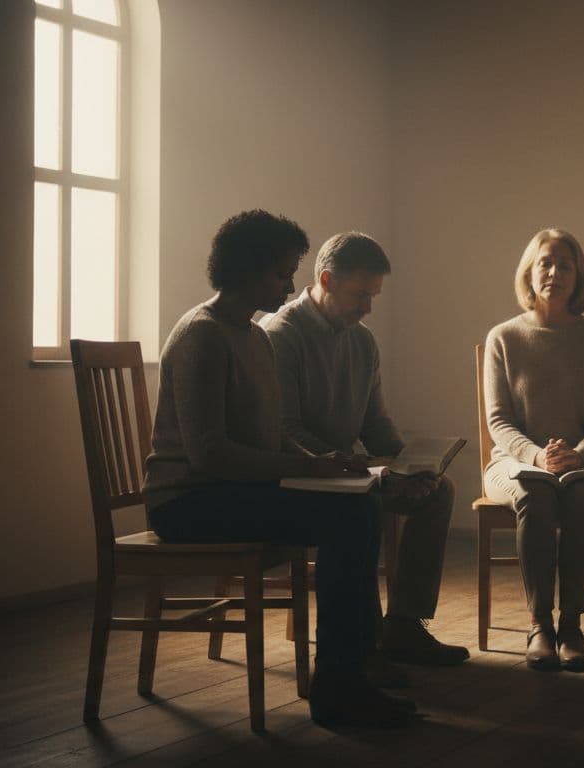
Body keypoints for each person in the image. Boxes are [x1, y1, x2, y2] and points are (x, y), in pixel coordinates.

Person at [141, 210, 413, 728]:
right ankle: (339, 685)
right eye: (281, 273)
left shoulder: (253, 337)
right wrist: (307, 467)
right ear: (243, 269)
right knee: (349, 519)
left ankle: (352, 671)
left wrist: (324, 467)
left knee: (358, 504)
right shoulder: (202, 334)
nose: (291, 285)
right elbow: (209, 455)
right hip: (186, 503)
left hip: (228, 491)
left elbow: (269, 439)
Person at [264, 232, 469, 668]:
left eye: (373, 296)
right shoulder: (280, 335)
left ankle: (403, 625)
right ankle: (362, 637)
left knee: (440, 491)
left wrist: (412, 467)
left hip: (350, 471)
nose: (367, 308)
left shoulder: (362, 341)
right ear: (325, 280)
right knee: (365, 502)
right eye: (360, 294)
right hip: (303, 476)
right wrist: (362, 469)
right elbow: (284, 430)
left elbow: (375, 424)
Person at [482, 228, 584, 672]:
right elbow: (498, 420)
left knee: (581, 499)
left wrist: (578, 455)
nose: (554, 272)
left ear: (578, 276)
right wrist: (537, 457)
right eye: (545, 262)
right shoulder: (503, 337)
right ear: (529, 270)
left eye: (565, 264)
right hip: (515, 461)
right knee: (535, 497)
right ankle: (540, 624)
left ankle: (572, 626)